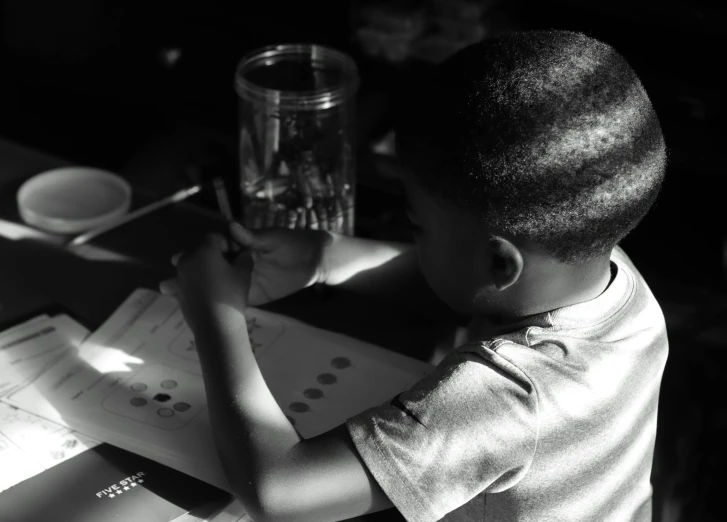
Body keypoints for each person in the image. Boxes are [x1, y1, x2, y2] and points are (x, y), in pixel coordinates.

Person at [161, 30, 669, 522]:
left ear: (500, 262)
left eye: (416, 226)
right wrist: (326, 257)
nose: (413, 241)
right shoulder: (607, 271)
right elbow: (479, 286)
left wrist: (215, 313)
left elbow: (281, 493)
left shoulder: (507, 400)